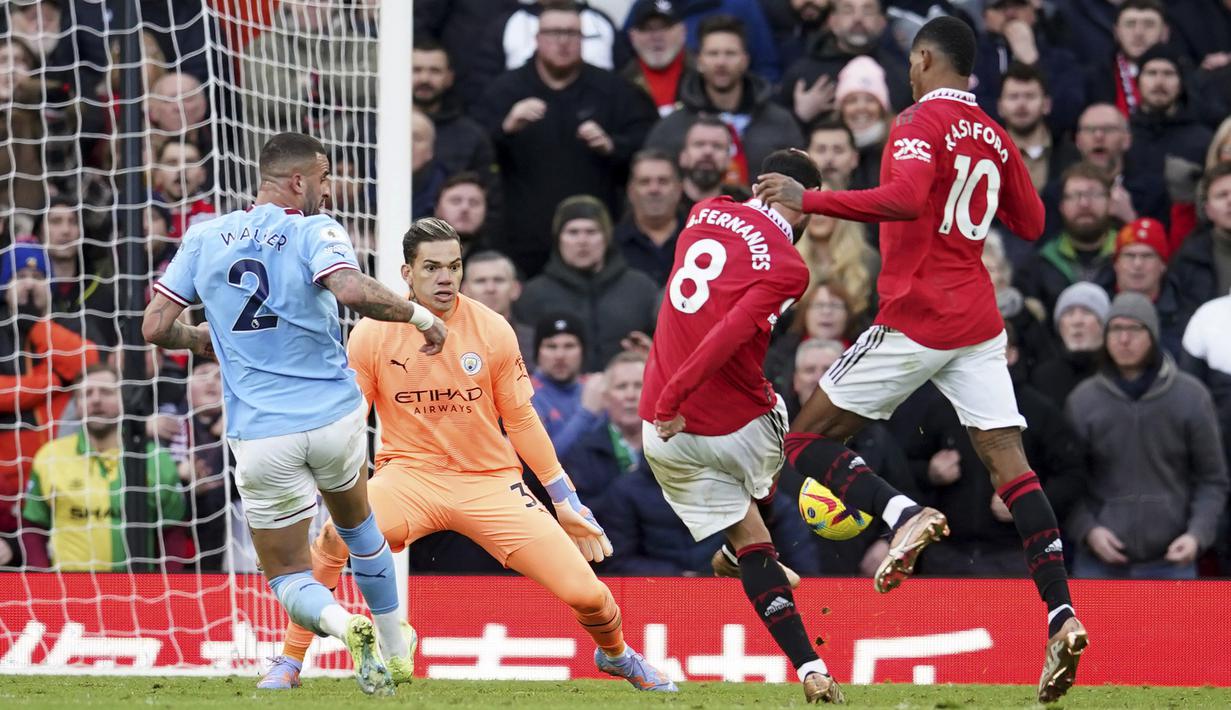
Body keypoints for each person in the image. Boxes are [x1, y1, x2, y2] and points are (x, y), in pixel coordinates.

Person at [754, 17, 1085, 702]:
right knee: (1011, 469)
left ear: (924, 58)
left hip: (917, 315)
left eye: (910, 63)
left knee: (805, 437)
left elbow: (903, 200)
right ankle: (1060, 613)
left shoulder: (916, 121)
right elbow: (1030, 223)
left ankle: (902, 513)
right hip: (978, 321)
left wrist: (809, 199)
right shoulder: (992, 133)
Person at [262, 217, 676, 693]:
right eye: (433, 267)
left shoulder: (491, 329)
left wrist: (564, 499)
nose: (446, 278)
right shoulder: (374, 333)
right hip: (409, 478)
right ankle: (289, 660)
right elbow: (351, 422)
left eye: (454, 266)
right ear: (406, 273)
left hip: (490, 482)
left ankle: (616, 654)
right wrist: (324, 494)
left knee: (591, 597)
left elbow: (520, 419)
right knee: (335, 537)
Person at [143, 132, 448, 696]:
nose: (331, 191)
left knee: (286, 572)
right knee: (357, 527)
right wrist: (422, 318)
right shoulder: (313, 229)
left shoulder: (204, 235)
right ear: (300, 181)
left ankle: (340, 624)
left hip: (261, 434)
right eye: (327, 178)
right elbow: (351, 289)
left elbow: (156, 327)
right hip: (333, 419)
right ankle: (395, 645)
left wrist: (204, 340)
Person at [641, 148, 843, 704]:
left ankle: (810, 668)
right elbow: (728, 332)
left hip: (659, 433)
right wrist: (675, 396)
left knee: (751, 542)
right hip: (728, 422)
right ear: (799, 205)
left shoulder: (703, 210)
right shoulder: (789, 266)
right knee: (798, 419)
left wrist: (663, 403)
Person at [1066, 293, 1228, 579]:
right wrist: (1088, 530)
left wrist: (1197, 535)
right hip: (1098, 563)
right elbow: (1066, 481)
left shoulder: (1190, 396)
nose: (1124, 339)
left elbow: (1212, 479)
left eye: (1134, 329)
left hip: (1171, 562)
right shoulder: (1083, 400)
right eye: (1116, 329)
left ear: (1152, 335)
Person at [21, 364, 186, 571]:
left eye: (106, 392)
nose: (96, 399)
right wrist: (41, 584)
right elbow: (33, 527)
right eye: (86, 394)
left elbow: (172, 532)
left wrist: (167, 590)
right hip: (67, 594)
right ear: (77, 405)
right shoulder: (50, 456)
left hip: (138, 591)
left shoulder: (156, 458)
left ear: (123, 400)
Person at [515, 196, 659, 371]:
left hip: (631, 392)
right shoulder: (533, 295)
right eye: (573, 232)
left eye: (591, 232)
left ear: (606, 238)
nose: (582, 241)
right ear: (558, 238)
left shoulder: (641, 289)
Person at [460, 250, 534, 364]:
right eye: (480, 281)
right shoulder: (447, 341)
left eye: (499, 280)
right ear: (464, 290)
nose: (490, 288)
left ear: (516, 289)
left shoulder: (535, 343)